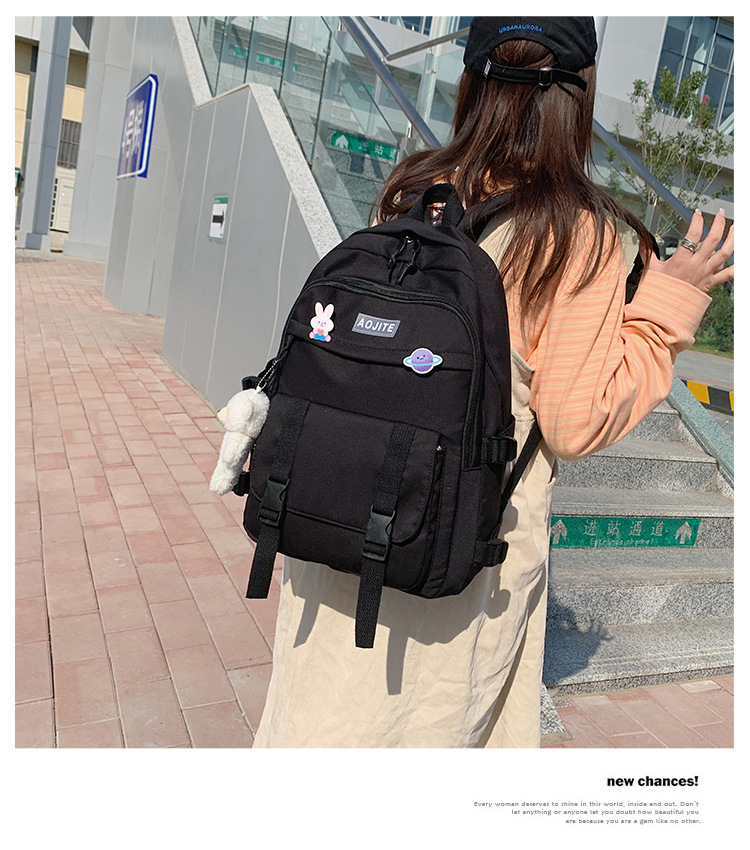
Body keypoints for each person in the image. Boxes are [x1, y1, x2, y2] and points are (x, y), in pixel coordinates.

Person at [252, 16, 734, 748]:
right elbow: (573, 422)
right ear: (578, 95)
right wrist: (666, 309)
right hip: (453, 552)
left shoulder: (412, 189)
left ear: (473, 80)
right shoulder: (575, 233)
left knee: (315, 724)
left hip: (341, 518)